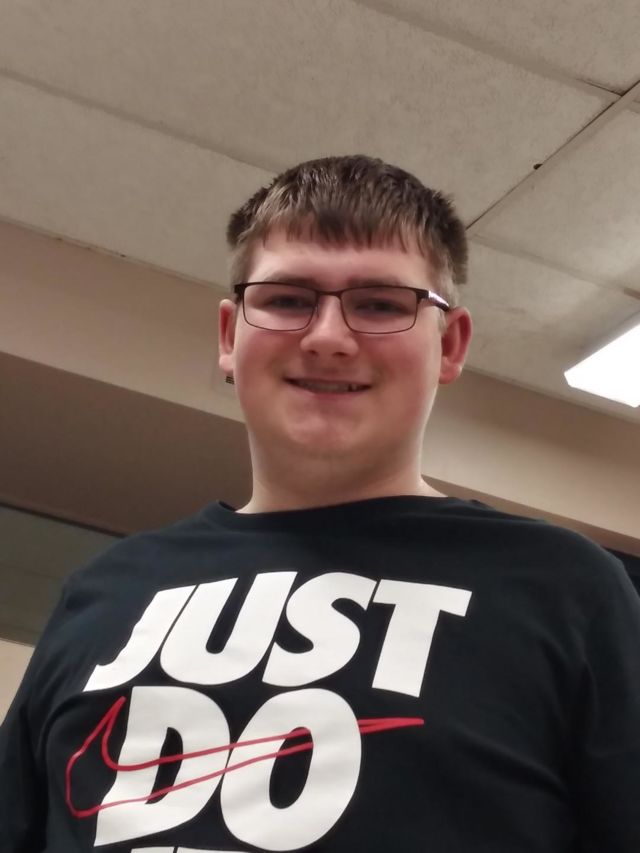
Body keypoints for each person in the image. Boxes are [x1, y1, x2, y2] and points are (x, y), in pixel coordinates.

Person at [1, 155, 639, 852]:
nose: (329, 337)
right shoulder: (105, 590)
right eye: (287, 299)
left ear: (451, 344)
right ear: (229, 335)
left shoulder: (563, 586)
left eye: (381, 304)